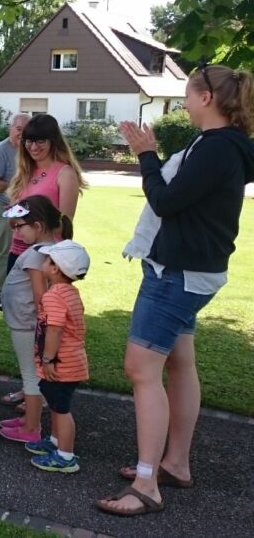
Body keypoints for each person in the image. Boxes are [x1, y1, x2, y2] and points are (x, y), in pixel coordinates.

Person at [98, 65, 254, 517]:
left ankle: (147, 484)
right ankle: (176, 463)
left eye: (187, 94)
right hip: (192, 271)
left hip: (178, 274)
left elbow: (165, 200)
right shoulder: (222, 146)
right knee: (180, 363)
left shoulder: (218, 148)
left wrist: (146, 155)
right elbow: (186, 197)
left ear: (206, 97)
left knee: (141, 368)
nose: (183, 102)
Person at [0, 196, 72, 445]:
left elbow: (41, 296)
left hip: (27, 324)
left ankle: (31, 427)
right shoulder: (45, 251)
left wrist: (42, 326)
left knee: (30, 375)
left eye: (19, 226)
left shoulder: (37, 254)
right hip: (27, 323)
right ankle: (30, 419)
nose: (16, 232)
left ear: (38, 226)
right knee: (30, 374)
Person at [26, 240, 91, 474]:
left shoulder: (53, 296)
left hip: (60, 364)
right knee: (55, 404)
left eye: (47, 260)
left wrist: (48, 359)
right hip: (71, 361)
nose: (43, 263)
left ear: (55, 269)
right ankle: (54, 441)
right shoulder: (70, 292)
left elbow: (54, 328)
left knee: (61, 409)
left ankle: (65, 456)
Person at [6, 114, 85, 273]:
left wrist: (33, 221)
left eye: (40, 141)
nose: (34, 147)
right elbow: (13, 220)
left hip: (46, 257)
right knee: (11, 297)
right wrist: (13, 216)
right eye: (29, 141)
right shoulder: (24, 172)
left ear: (53, 141)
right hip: (17, 252)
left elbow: (65, 225)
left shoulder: (65, 174)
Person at [0, 113, 30, 307]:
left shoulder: (27, 150)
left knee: (18, 247)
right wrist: (18, 185)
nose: (22, 134)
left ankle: (8, 290)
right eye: (19, 129)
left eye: (26, 131)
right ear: (10, 128)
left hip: (17, 206)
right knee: (5, 248)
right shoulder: (0, 150)